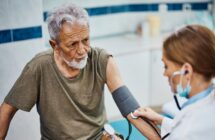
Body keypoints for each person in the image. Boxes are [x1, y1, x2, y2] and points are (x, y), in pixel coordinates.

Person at [0, 4, 160, 140]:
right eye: (72, 44)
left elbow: (132, 111)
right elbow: (6, 111)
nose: (82, 50)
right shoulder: (39, 67)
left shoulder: (102, 60)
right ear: (54, 45)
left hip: (99, 136)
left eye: (86, 40)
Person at [134, 25, 215, 140]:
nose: (165, 73)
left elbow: (186, 133)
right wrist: (160, 119)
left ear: (187, 71)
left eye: (166, 66)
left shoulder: (189, 128)